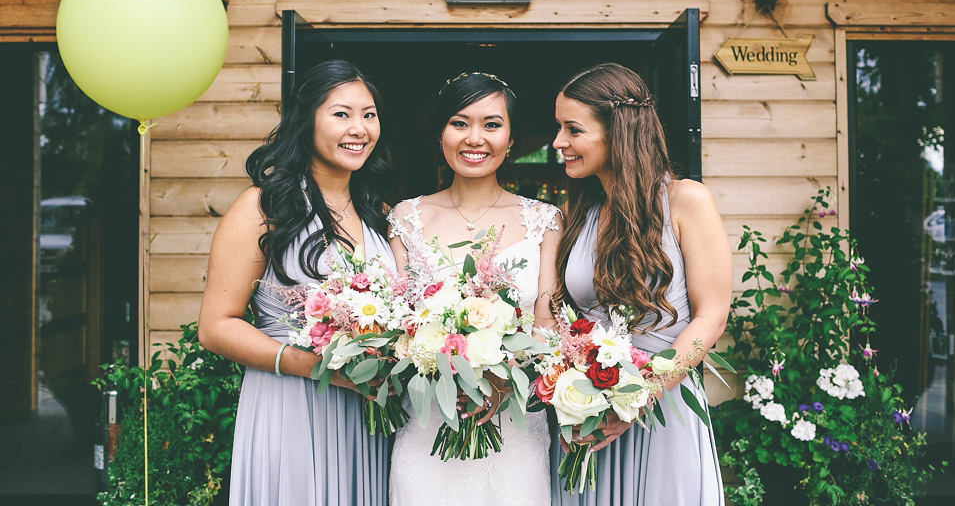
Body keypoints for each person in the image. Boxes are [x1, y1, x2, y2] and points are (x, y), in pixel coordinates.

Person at [198, 60, 395, 506]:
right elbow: (215, 326)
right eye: (341, 114)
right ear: (306, 120)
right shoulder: (262, 207)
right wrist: (320, 368)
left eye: (369, 114)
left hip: (367, 413)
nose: (359, 128)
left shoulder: (379, 213)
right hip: (289, 404)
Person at [550, 62, 731, 506]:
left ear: (618, 132)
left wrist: (638, 397)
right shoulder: (581, 210)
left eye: (572, 129)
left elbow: (712, 315)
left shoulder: (687, 200)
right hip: (586, 410)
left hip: (661, 406)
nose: (558, 143)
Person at [387, 72, 560, 506]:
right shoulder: (405, 218)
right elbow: (397, 322)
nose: (474, 138)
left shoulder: (544, 220)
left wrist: (504, 379)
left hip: (513, 424)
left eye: (492, 124)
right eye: (460, 123)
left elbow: (547, 321)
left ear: (512, 138)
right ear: (441, 134)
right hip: (429, 423)